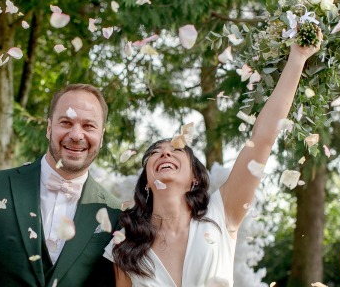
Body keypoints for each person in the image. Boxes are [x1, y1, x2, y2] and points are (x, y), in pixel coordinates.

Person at [104, 35, 323, 286]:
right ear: (146, 182)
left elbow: (262, 139)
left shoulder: (222, 213)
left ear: (195, 178)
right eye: (155, 152)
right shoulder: (125, 244)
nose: (165, 153)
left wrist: (298, 57)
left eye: (176, 150)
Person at [0, 84, 122, 287]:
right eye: (66, 122)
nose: (76, 135)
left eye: (89, 126)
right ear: (49, 128)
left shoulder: (114, 213)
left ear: (102, 136)